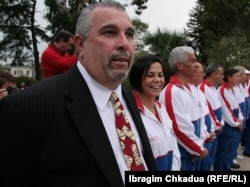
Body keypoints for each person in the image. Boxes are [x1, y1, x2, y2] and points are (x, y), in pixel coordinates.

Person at [0, 1, 157, 186]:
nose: (124, 43)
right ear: (80, 44)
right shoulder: (24, 109)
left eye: (129, 34)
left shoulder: (127, 97)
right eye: (110, 32)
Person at [159, 46, 208, 171]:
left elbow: (201, 117)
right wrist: (198, 149)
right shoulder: (172, 91)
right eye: (192, 61)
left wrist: (200, 143)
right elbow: (178, 128)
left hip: (193, 150)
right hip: (183, 153)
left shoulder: (191, 88)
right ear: (180, 65)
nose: (196, 65)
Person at [129, 54, 181, 171]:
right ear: (137, 78)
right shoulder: (130, 112)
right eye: (150, 75)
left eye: (160, 75)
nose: (157, 80)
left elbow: (173, 148)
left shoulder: (161, 108)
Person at [216, 67, 244, 171]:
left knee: (229, 150)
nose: (239, 78)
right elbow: (226, 111)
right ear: (229, 78)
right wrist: (236, 123)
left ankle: (226, 168)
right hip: (228, 124)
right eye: (237, 76)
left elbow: (237, 106)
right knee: (222, 152)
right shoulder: (222, 90)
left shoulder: (233, 89)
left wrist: (240, 118)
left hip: (235, 121)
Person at [199, 63, 224, 170]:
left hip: (216, 128)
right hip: (211, 129)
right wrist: (217, 125)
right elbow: (208, 111)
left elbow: (219, 107)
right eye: (221, 74)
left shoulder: (213, 88)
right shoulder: (203, 88)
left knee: (211, 158)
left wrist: (221, 122)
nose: (223, 77)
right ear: (214, 74)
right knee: (206, 161)